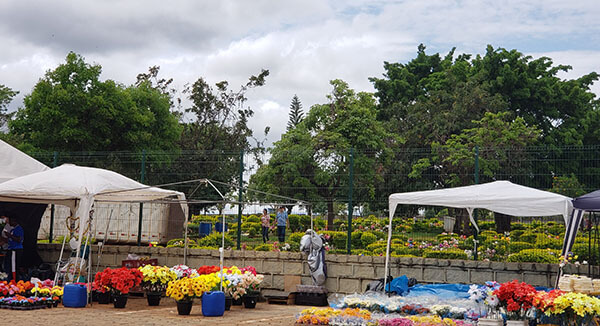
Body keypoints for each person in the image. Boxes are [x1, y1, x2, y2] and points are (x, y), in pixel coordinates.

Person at [3, 216, 24, 281]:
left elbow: (19, 239)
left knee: (14, 266)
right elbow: (10, 240)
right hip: (11, 248)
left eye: (10, 221)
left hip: (16, 250)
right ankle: (10, 278)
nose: (9, 222)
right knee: (10, 266)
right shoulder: (12, 229)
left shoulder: (19, 229)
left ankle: (15, 279)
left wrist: (10, 236)